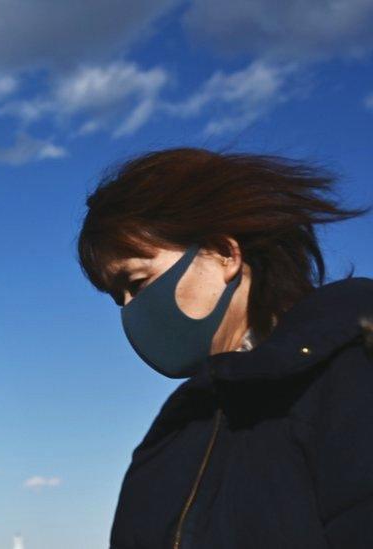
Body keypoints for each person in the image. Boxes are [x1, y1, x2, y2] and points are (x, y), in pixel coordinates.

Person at [77, 148, 373, 548]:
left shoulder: (351, 371)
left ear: (223, 254)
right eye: (118, 297)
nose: (130, 310)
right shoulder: (167, 443)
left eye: (138, 282)